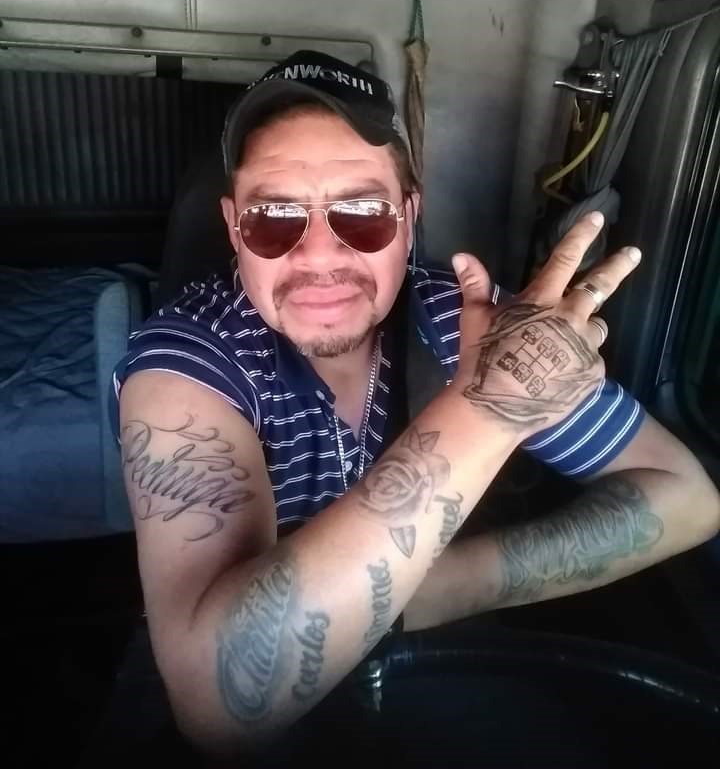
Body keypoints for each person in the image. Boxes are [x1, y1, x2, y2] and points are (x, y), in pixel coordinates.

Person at [112, 51, 720, 756]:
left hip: (430, 654)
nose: (318, 257)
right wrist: (492, 405)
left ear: (408, 216)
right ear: (232, 227)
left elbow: (688, 497)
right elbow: (221, 702)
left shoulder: (460, 318)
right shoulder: (187, 357)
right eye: (275, 216)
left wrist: (423, 595)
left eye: (363, 212)